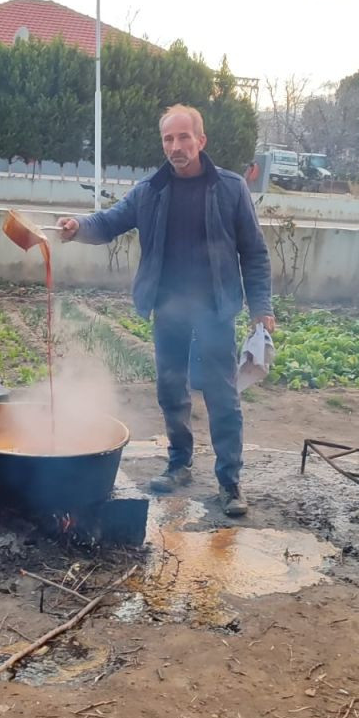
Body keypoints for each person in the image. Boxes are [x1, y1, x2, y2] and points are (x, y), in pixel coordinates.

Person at [58, 105, 274, 517]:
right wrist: (77, 227)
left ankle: (230, 483)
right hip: (168, 307)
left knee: (222, 396)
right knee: (171, 390)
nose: (176, 147)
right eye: (168, 140)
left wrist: (261, 307)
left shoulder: (230, 188)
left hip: (215, 309)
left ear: (201, 140)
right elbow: (109, 221)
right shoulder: (151, 190)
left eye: (183, 138)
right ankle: (179, 464)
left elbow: (255, 252)